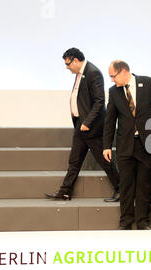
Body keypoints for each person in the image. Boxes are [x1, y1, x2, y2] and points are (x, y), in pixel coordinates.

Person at [103, 60, 151, 230]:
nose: (112, 80)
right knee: (126, 186)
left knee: (144, 185)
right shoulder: (114, 92)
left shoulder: (148, 83)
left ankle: (143, 222)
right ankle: (125, 222)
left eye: (113, 76)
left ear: (124, 71)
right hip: (125, 145)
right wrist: (106, 145)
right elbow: (109, 120)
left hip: (147, 143)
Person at [45, 48, 120, 201]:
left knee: (104, 160)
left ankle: (121, 190)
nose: (66, 67)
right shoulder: (81, 73)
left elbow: (99, 101)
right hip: (81, 126)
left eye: (68, 64)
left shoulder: (93, 73)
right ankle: (65, 191)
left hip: (91, 127)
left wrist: (87, 122)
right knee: (74, 160)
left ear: (76, 60)